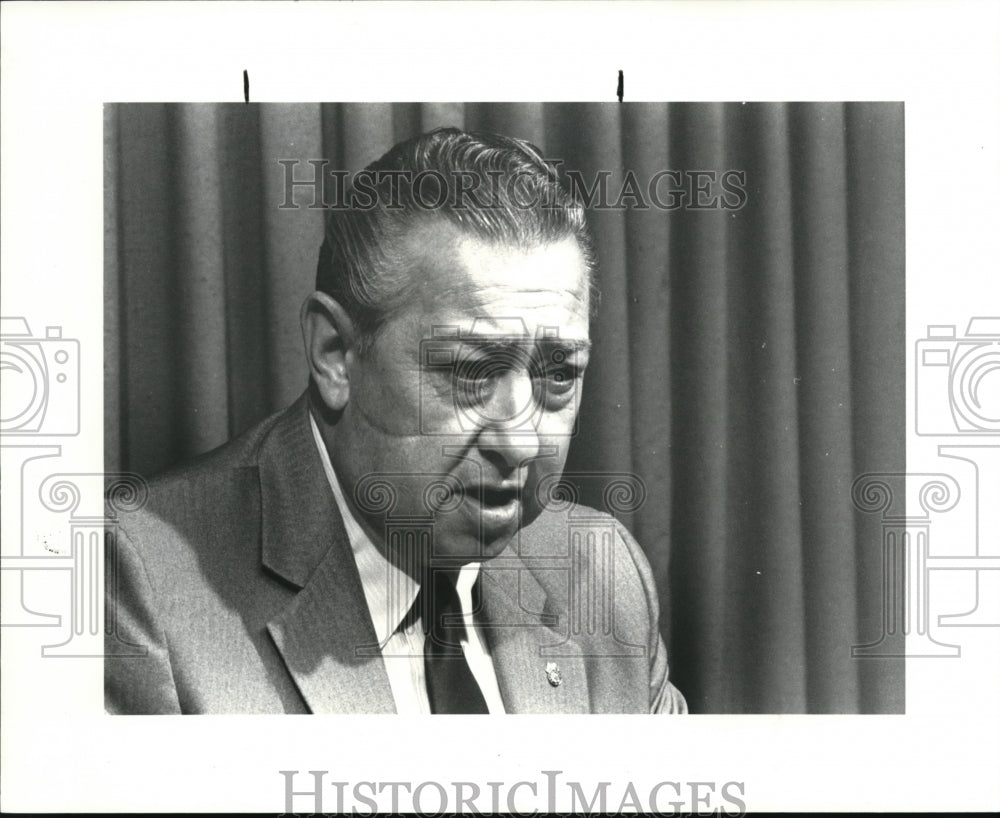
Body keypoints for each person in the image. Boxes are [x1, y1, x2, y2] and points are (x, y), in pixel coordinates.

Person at [105, 127, 687, 714]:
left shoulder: (603, 575)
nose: (520, 439)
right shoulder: (137, 588)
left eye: (558, 374)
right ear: (335, 354)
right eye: (471, 371)